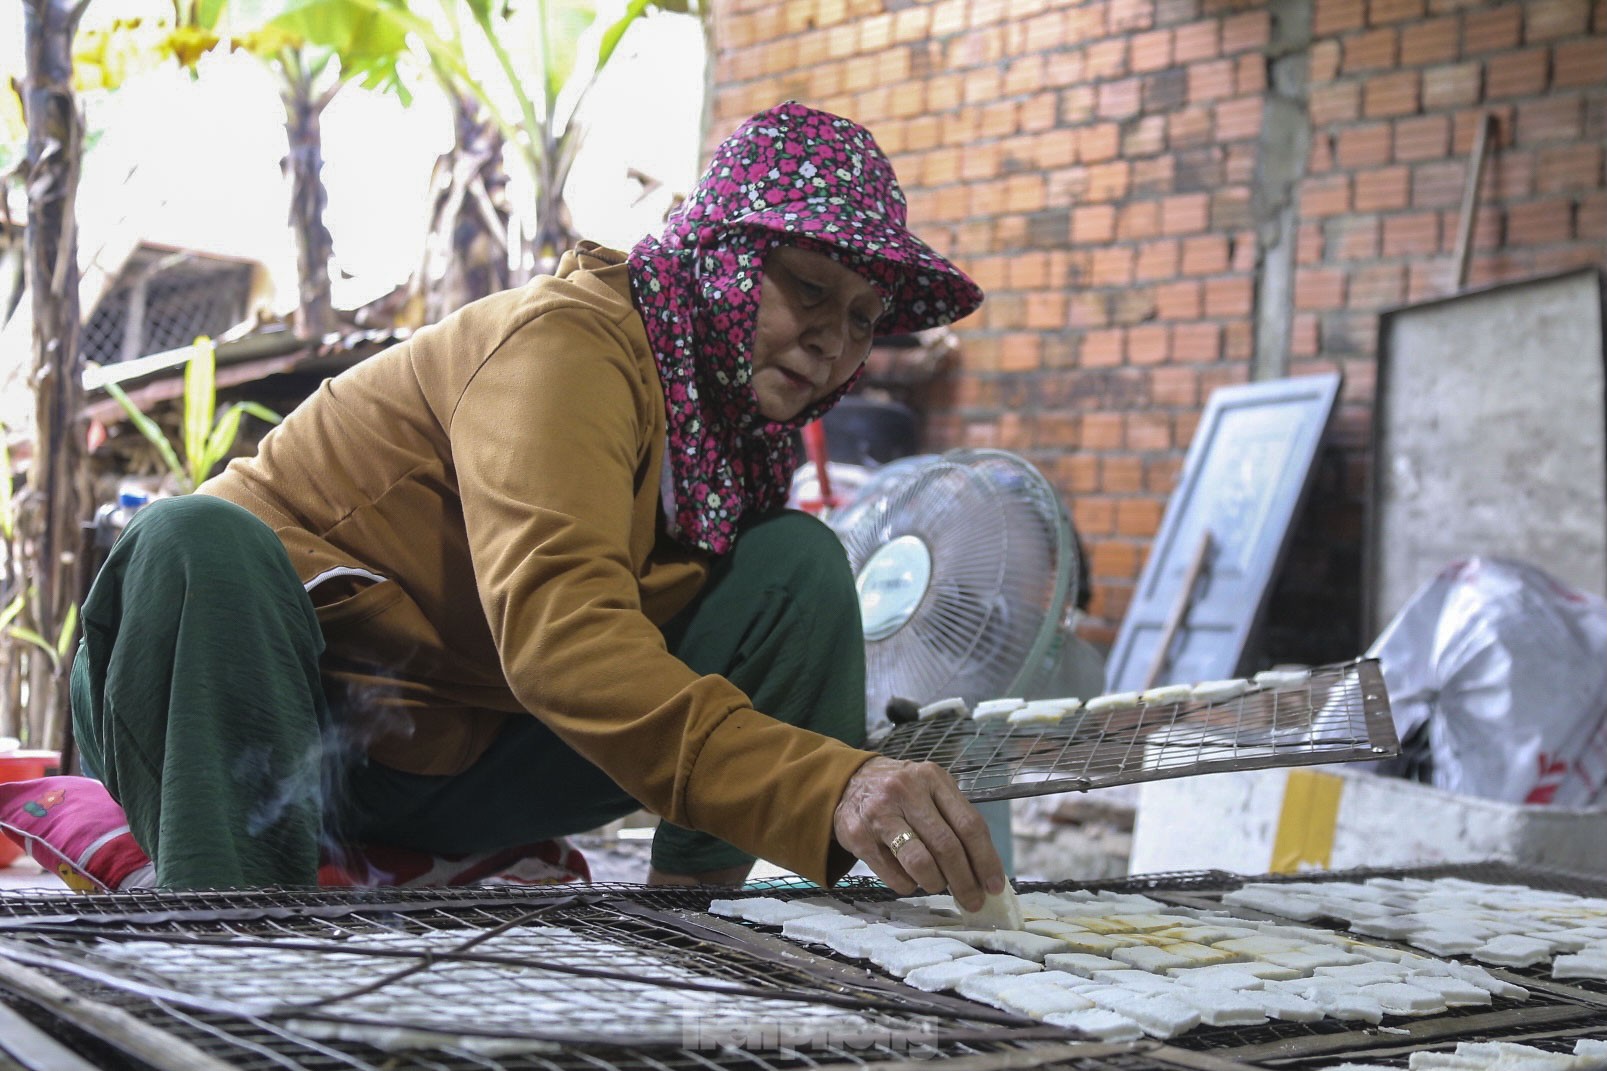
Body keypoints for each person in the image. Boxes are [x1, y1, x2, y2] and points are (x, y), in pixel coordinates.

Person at [71, 101, 1006, 907]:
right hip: (257, 730)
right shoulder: (568, 346)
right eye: (807, 288)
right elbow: (565, 639)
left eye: (860, 319)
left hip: (446, 762)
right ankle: (229, 924)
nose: (833, 344)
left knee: (795, 568)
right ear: (722, 260)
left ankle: (694, 925)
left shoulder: (727, 446)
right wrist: (824, 782)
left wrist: (842, 787)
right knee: (194, 536)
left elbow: (611, 660)